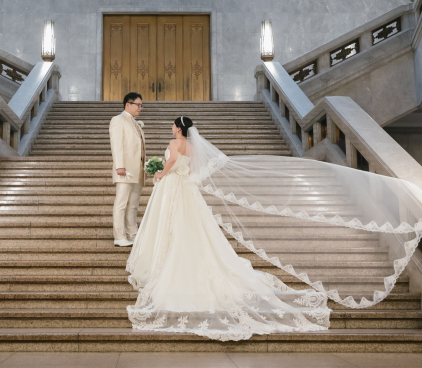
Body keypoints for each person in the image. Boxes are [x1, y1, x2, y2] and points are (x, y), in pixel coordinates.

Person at [126, 116, 330, 341]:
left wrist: (161, 173)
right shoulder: (193, 146)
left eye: (173, 124)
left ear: (178, 128)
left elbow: (173, 160)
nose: (171, 127)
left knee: (173, 223)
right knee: (193, 227)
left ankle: (167, 260)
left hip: (174, 187)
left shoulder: (174, 143)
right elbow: (193, 169)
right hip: (187, 188)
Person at [108, 92, 146, 247]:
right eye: (138, 105)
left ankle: (132, 232)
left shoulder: (135, 122)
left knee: (133, 204)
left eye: (141, 105)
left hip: (137, 170)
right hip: (125, 169)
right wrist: (119, 166)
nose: (140, 108)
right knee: (122, 203)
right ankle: (119, 236)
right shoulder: (118, 120)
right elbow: (116, 144)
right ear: (127, 105)